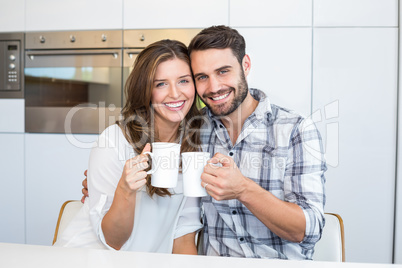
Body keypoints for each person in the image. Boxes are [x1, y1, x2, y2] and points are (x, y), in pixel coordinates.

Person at [82, 25, 326, 260]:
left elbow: (309, 230)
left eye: (223, 71)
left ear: (246, 65)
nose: (214, 87)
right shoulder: (195, 131)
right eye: (201, 77)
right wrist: (102, 183)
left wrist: (243, 189)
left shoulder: (295, 130)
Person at [54, 39, 203, 254]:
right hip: (87, 257)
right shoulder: (114, 141)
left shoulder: (193, 145)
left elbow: (183, 234)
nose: (175, 93)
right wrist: (125, 189)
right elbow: (113, 241)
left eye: (183, 81)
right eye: (160, 83)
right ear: (145, 90)